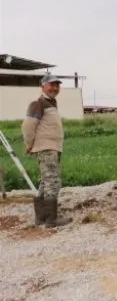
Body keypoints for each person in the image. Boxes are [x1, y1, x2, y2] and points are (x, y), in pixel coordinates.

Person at [22, 73, 72, 227]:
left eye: (57, 85)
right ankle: (52, 219)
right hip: (46, 148)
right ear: (42, 86)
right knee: (52, 181)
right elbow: (28, 126)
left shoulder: (51, 103)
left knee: (45, 181)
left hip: (53, 148)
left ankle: (41, 217)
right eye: (51, 84)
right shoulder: (39, 103)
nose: (55, 88)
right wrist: (29, 144)